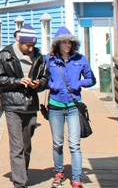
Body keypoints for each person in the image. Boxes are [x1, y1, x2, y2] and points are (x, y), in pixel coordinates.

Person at [0, 24, 48, 188]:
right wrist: (17, 81)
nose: (30, 48)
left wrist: (38, 84)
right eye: (27, 45)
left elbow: (45, 78)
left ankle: (22, 172)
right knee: (17, 146)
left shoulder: (38, 57)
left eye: (33, 45)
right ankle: (19, 183)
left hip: (30, 104)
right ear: (20, 42)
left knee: (26, 145)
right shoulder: (5, 55)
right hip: (12, 104)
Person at [46, 27, 96, 188]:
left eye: (70, 42)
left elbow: (91, 79)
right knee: (57, 142)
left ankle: (76, 178)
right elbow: (42, 79)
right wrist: (52, 84)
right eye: (63, 42)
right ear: (57, 44)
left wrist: (79, 83)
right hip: (55, 106)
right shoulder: (50, 60)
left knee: (74, 144)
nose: (67, 45)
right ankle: (58, 172)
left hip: (74, 106)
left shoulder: (80, 59)